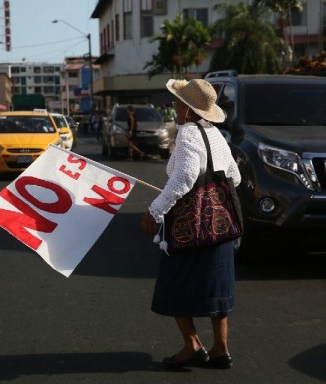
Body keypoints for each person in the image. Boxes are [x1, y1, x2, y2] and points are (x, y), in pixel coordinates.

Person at [140, 79, 241, 370]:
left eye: (178, 102)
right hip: (221, 223)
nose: (174, 105)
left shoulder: (187, 136)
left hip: (190, 225)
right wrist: (211, 192)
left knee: (175, 282)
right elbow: (234, 177)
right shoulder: (216, 135)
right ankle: (221, 349)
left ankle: (192, 345)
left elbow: (184, 178)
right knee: (217, 285)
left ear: (189, 110)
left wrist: (155, 211)